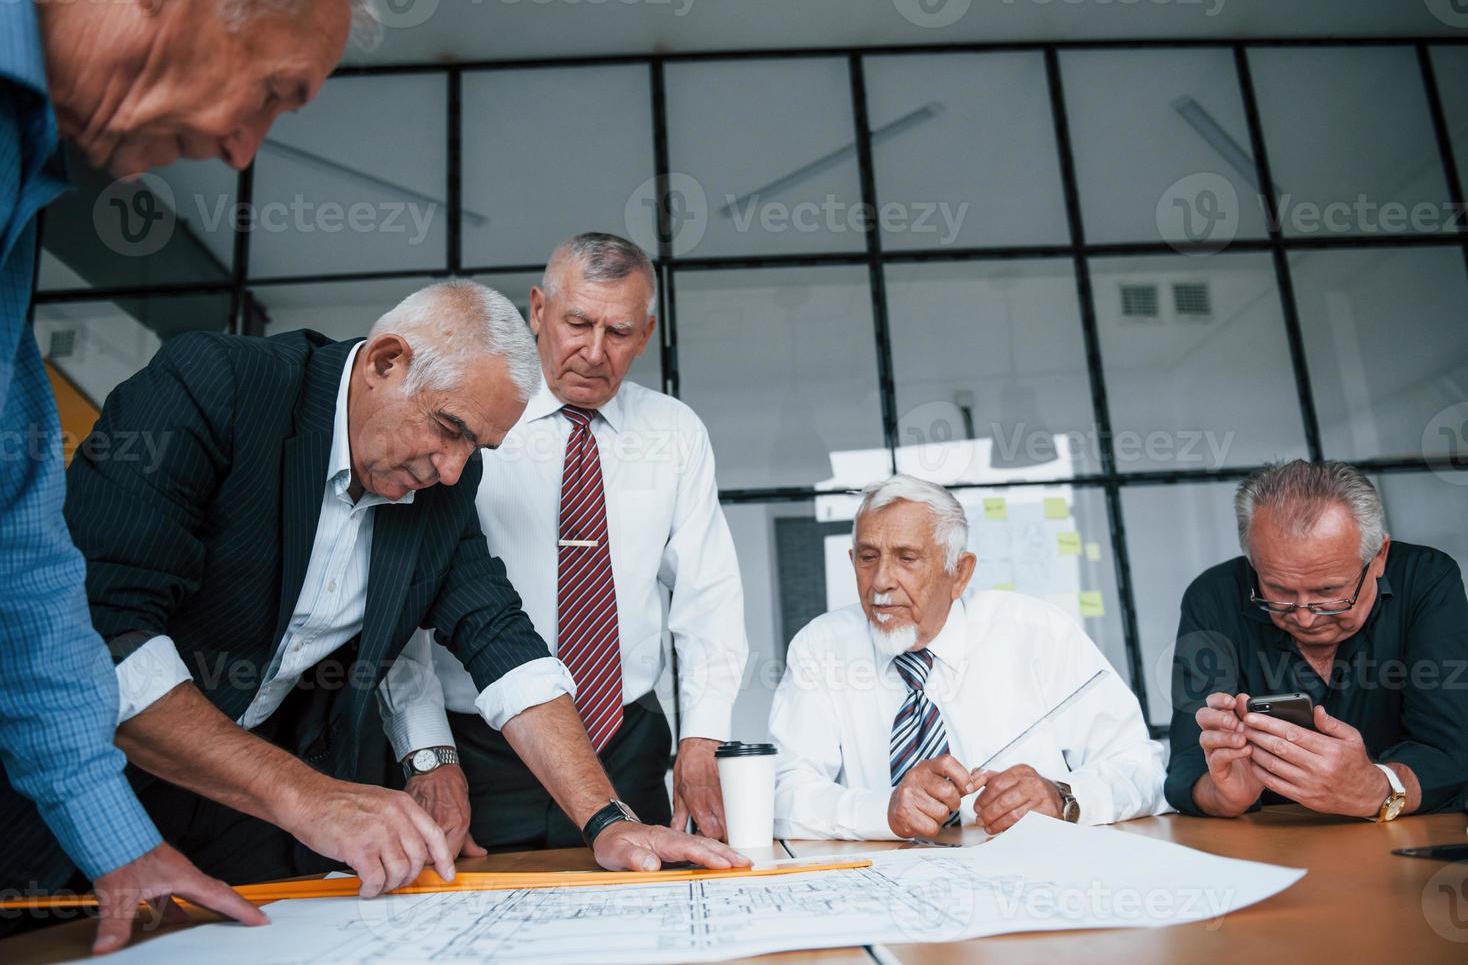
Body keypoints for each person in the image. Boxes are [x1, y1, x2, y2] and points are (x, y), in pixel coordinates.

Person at [0, 279, 748, 920]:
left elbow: (500, 642)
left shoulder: (442, 486)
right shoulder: (219, 387)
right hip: (69, 784)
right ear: (387, 362)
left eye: (476, 450)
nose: (455, 472)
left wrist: (607, 819)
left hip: (248, 815)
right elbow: (103, 633)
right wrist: (309, 797)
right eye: (449, 429)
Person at [0, 0, 369, 949]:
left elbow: (25, 560)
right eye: (271, 90)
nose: (243, 150)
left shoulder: (25, 182)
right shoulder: (221, 383)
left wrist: (118, 842)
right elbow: (108, 609)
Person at [381, 233, 748, 850]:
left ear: (647, 332)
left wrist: (701, 739)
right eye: (577, 322)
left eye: (620, 331)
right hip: (480, 751)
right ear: (538, 310)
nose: (595, 351)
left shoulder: (675, 433)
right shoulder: (468, 420)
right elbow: (405, 600)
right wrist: (426, 752)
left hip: (627, 744)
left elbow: (707, 600)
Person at [770, 475, 1167, 840]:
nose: (881, 582)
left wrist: (1065, 797)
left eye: (907, 558)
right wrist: (882, 812)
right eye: (868, 557)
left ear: (959, 573)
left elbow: (1142, 769)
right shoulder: (821, 647)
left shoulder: (1038, 632)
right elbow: (781, 791)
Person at [1167, 460, 1468, 820]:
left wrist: (1376, 786)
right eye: (1278, 590)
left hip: (1405, 837)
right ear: (1254, 562)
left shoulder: (1426, 581)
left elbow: (1451, 752)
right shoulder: (1214, 597)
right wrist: (1222, 794)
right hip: (1264, 845)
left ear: (1379, 558)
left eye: (1329, 592)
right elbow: (1186, 762)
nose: (1305, 617)